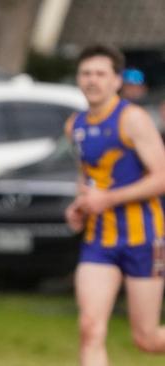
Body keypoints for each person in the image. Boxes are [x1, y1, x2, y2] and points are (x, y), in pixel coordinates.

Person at [64, 44, 165, 366]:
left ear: (116, 80)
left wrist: (107, 199)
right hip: (99, 241)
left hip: (146, 239)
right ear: (78, 79)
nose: (92, 80)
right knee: (90, 328)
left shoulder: (132, 118)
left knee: (146, 339)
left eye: (100, 74)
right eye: (86, 73)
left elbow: (161, 177)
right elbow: (91, 178)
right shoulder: (74, 125)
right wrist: (80, 205)